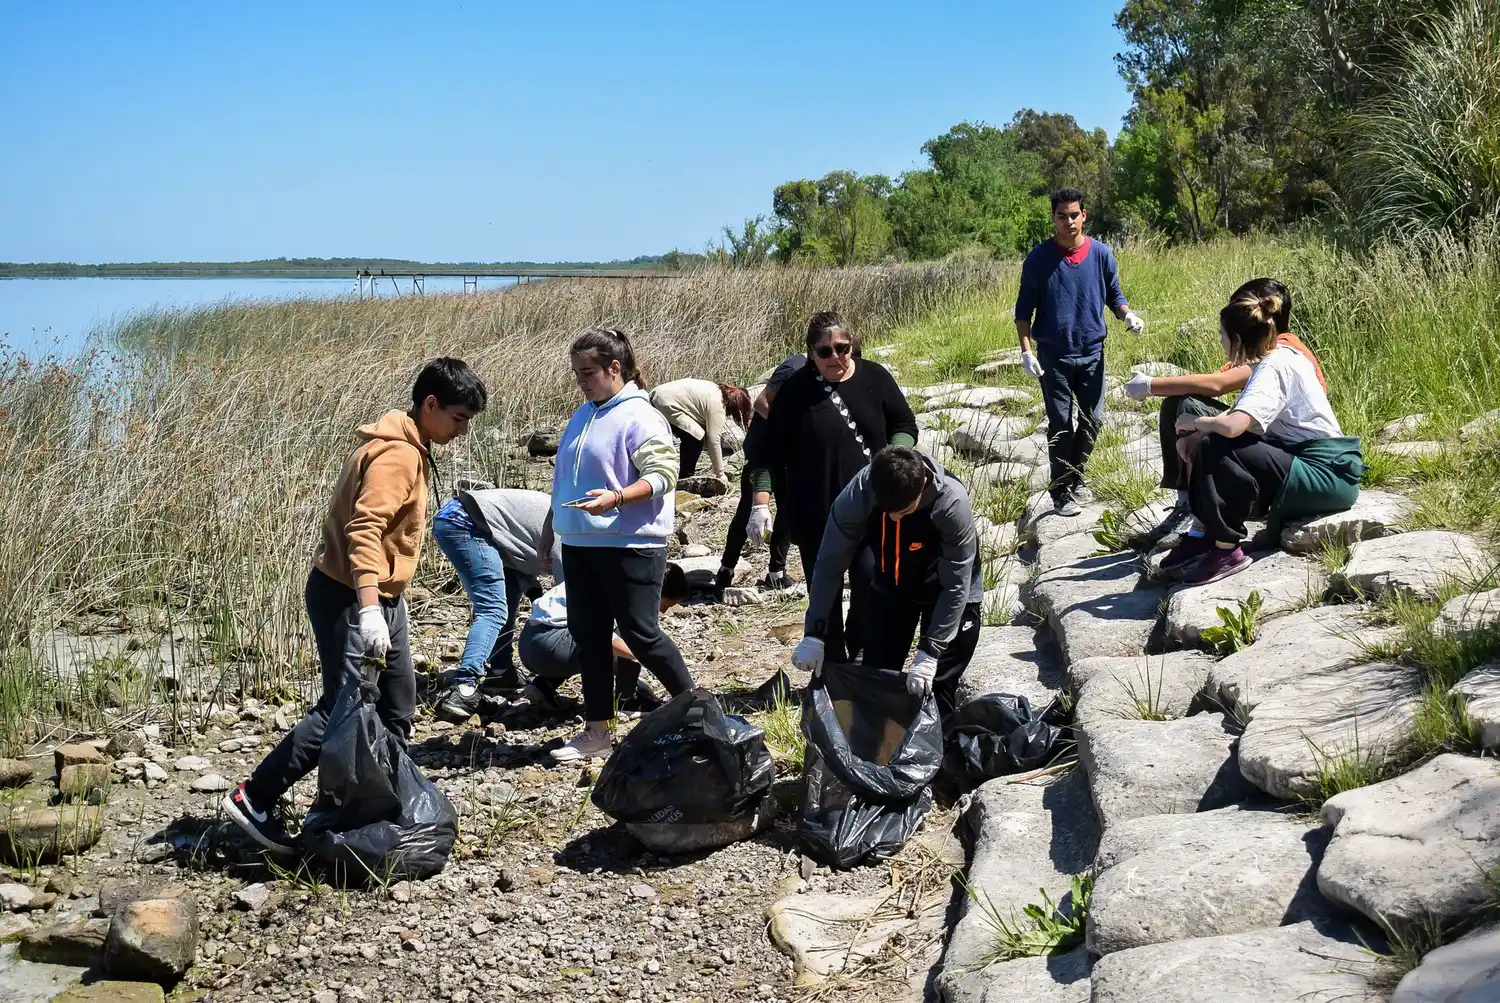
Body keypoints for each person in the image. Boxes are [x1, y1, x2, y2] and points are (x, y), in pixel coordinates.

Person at [222, 358, 487, 853]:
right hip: (350, 596)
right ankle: (255, 796)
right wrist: (368, 609)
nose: (463, 430)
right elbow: (363, 531)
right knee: (343, 708)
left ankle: (368, 801)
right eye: (458, 418)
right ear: (429, 404)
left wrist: (383, 603)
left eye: (469, 421)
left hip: (381, 596)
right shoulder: (397, 457)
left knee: (397, 701)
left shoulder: (412, 447)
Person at [540, 327, 695, 764]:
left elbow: (665, 476)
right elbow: (563, 481)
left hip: (632, 543)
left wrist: (618, 497)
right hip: (580, 542)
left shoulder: (641, 416)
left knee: (640, 632)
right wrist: (551, 529)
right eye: (576, 374)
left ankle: (699, 706)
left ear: (614, 368)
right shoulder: (582, 414)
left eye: (588, 372)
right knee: (588, 636)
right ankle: (597, 731)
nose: (581, 381)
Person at [1160, 287, 1362, 585]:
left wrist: (1196, 421)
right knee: (1207, 441)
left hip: (1327, 476)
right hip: (1310, 465)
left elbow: (1232, 427)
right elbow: (1244, 419)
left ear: (1238, 339)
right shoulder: (1277, 358)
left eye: (1221, 334)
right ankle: (1201, 535)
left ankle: (1226, 550)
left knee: (1213, 443)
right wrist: (1197, 432)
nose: (1220, 340)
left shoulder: (1273, 367)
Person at [750, 312, 918, 664]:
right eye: (824, 351)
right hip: (815, 514)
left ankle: (860, 656)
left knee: (870, 583)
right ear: (810, 352)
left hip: (872, 509)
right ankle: (832, 667)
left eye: (842, 348)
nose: (835, 358)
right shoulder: (795, 392)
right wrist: (759, 504)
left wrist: (894, 458)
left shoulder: (875, 377)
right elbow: (768, 455)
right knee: (824, 592)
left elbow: (904, 424)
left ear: (852, 345)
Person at [1121, 278, 1329, 547]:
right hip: (1282, 446)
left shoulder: (1280, 353)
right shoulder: (1270, 349)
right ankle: (1187, 503)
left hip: (1295, 455)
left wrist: (1151, 386)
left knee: (1189, 408)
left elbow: (1217, 386)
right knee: (1181, 406)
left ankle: (1200, 515)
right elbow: (1223, 381)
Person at [792, 446, 982, 715]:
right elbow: (829, 563)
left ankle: (940, 750)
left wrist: (930, 650)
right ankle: (875, 751)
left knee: (937, 687)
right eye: (887, 511)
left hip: (947, 588)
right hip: (893, 586)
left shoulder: (951, 503)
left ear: (922, 486)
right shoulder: (860, 492)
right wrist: (814, 632)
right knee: (876, 677)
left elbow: (956, 584)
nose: (894, 518)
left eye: (903, 511)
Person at [1015, 187, 1145, 517]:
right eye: (1062, 216)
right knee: (1060, 423)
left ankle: (1077, 477)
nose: (1069, 221)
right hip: (1054, 356)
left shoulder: (1101, 254)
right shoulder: (1039, 259)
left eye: (1074, 215)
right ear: (1054, 218)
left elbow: (1114, 295)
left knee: (1093, 419)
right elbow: (1022, 311)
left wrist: (1126, 314)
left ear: (1084, 215)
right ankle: (1061, 491)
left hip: (1092, 353)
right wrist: (1026, 352)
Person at [429, 487, 561, 721]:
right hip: (466, 522)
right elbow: (572, 599)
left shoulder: (575, 528)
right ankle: (464, 688)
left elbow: (518, 547)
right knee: (493, 609)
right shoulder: (570, 539)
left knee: (507, 599)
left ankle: (500, 672)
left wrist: (532, 588)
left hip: (478, 525)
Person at [517, 563, 690, 718]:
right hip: (550, 647)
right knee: (632, 632)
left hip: (529, 643)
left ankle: (544, 685)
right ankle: (626, 700)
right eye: (665, 605)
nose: (664, 612)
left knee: (582, 636)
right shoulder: (623, 592)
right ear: (656, 592)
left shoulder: (605, 572)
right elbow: (606, 638)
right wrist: (643, 655)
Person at [714, 353, 803, 597]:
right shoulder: (795, 368)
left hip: (785, 453)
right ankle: (726, 570)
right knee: (749, 508)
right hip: (764, 450)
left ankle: (776, 571)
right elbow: (762, 404)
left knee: (786, 508)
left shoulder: (813, 374)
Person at [648, 377, 752, 481]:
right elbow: (713, 441)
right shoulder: (718, 406)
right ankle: (685, 477)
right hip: (666, 403)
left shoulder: (714, 389)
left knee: (693, 434)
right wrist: (720, 474)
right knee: (695, 438)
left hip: (658, 394)